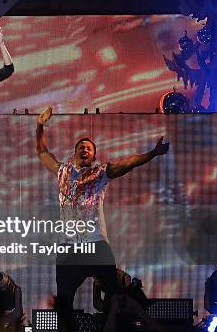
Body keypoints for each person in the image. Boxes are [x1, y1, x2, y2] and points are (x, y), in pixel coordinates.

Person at [35, 107, 169, 313]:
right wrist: (40, 125)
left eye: (89, 148)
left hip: (96, 244)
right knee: (63, 303)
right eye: (82, 146)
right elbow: (43, 152)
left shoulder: (100, 173)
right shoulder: (62, 171)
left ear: (94, 156)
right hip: (69, 248)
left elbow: (129, 163)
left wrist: (152, 153)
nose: (85, 149)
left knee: (115, 296)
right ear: (75, 152)